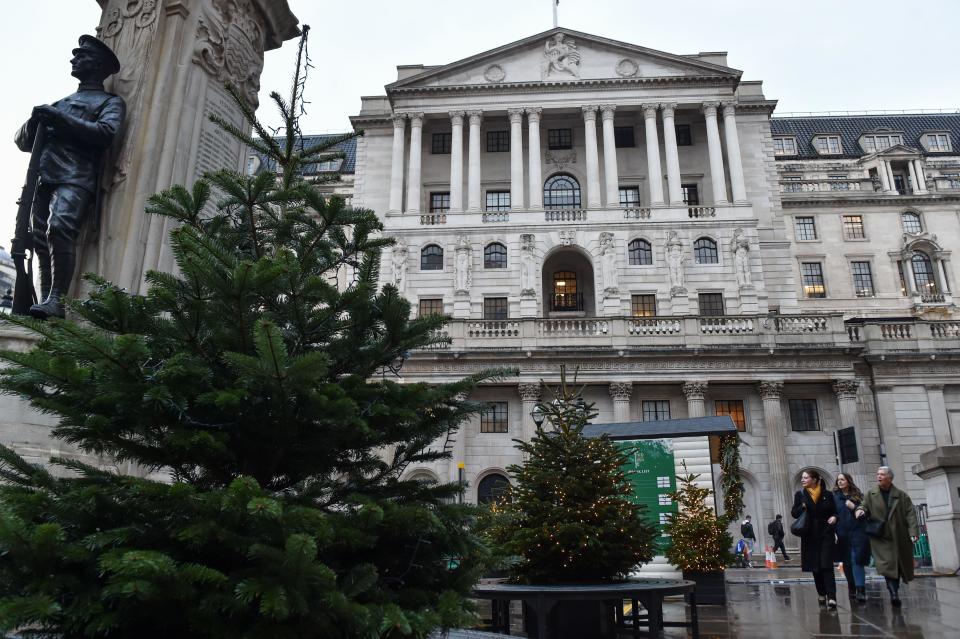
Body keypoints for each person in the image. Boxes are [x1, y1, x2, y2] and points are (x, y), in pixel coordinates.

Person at [14, 35, 125, 319]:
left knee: (59, 229)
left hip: (76, 176)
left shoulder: (109, 102)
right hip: (43, 179)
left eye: (81, 56)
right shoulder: (61, 102)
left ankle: (57, 301)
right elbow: (23, 141)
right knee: (39, 240)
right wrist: (33, 122)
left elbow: (105, 134)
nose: (74, 59)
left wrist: (58, 118)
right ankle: (46, 301)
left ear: (97, 65)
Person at [858, 466, 919, 607]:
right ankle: (893, 592)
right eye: (878, 474)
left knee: (897, 564)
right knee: (887, 565)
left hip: (899, 536)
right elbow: (864, 505)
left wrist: (913, 532)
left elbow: (911, 514)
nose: (878, 476)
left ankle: (894, 590)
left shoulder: (901, 495)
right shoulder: (870, 494)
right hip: (881, 536)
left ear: (889, 478)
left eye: (882, 474)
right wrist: (860, 510)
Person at [791, 469, 838, 609]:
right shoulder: (800, 495)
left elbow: (834, 511)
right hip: (809, 535)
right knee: (815, 566)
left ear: (815, 479)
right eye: (802, 478)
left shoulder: (827, 494)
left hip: (825, 533)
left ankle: (832, 596)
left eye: (806, 478)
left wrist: (835, 517)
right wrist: (802, 507)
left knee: (826, 565)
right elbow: (794, 513)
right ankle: (821, 593)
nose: (802, 480)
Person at [832, 472, 870, 603]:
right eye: (838, 480)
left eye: (842, 479)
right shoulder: (834, 497)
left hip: (858, 532)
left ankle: (861, 589)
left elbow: (865, 512)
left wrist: (854, 507)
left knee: (856, 560)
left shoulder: (858, 496)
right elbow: (832, 514)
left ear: (848, 480)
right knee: (847, 562)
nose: (840, 482)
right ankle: (852, 587)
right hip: (842, 533)